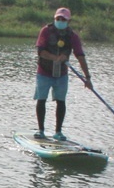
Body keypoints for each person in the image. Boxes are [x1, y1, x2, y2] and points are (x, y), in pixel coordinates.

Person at [34, 7, 91, 140]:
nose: (60, 21)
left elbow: (80, 56)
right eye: (58, 19)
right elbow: (40, 51)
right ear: (54, 19)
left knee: (61, 101)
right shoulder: (46, 31)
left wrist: (87, 78)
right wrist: (56, 58)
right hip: (44, 72)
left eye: (63, 19)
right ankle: (41, 130)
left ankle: (58, 132)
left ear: (68, 21)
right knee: (41, 99)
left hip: (61, 75)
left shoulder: (72, 36)